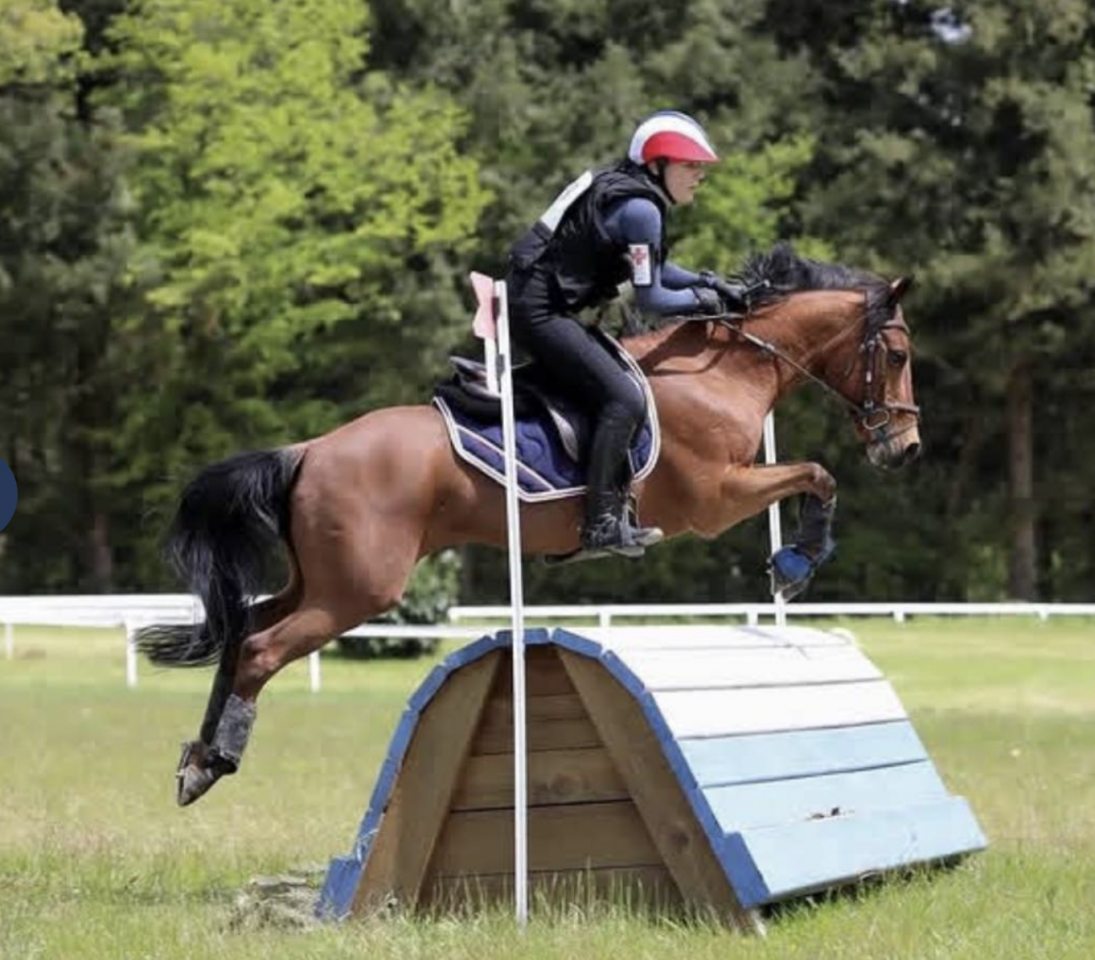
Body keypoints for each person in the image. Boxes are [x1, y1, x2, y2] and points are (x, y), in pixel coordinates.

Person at [506, 110, 747, 559]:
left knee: (623, 385)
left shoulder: (636, 199)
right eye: (690, 166)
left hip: (540, 303)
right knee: (626, 398)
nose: (699, 177)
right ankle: (598, 525)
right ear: (658, 165)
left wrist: (711, 282)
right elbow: (651, 297)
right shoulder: (641, 209)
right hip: (539, 312)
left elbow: (656, 266)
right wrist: (706, 302)